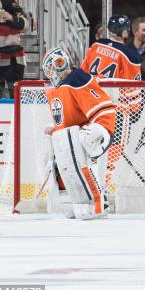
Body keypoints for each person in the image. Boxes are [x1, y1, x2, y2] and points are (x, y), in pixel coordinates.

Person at [40, 47, 116, 219]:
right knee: (55, 162)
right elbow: (67, 120)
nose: (50, 73)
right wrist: (56, 129)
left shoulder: (77, 78)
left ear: (61, 64)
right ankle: (77, 203)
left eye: (52, 67)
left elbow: (103, 108)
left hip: (95, 130)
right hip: (78, 133)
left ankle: (99, 201)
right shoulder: (56, 89)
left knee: (80, 147)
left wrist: (100, 129)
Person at [80, 15, 142, 189]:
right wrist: (135, 110)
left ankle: (87, 185)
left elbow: (83, 73)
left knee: (90, 147)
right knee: (113, 150)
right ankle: (101, 189)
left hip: (91, 106)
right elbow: (132, 88)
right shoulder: (131, 55)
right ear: (126, 32)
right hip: (116, 110)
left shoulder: (95, 46)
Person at [81, 15, 142, 80]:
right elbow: (133, 86)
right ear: (125, 32)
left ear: (109, 30)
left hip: (91, 88)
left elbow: (82, 71)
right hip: (111, 89)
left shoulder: (96, 45)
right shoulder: (130, 55)